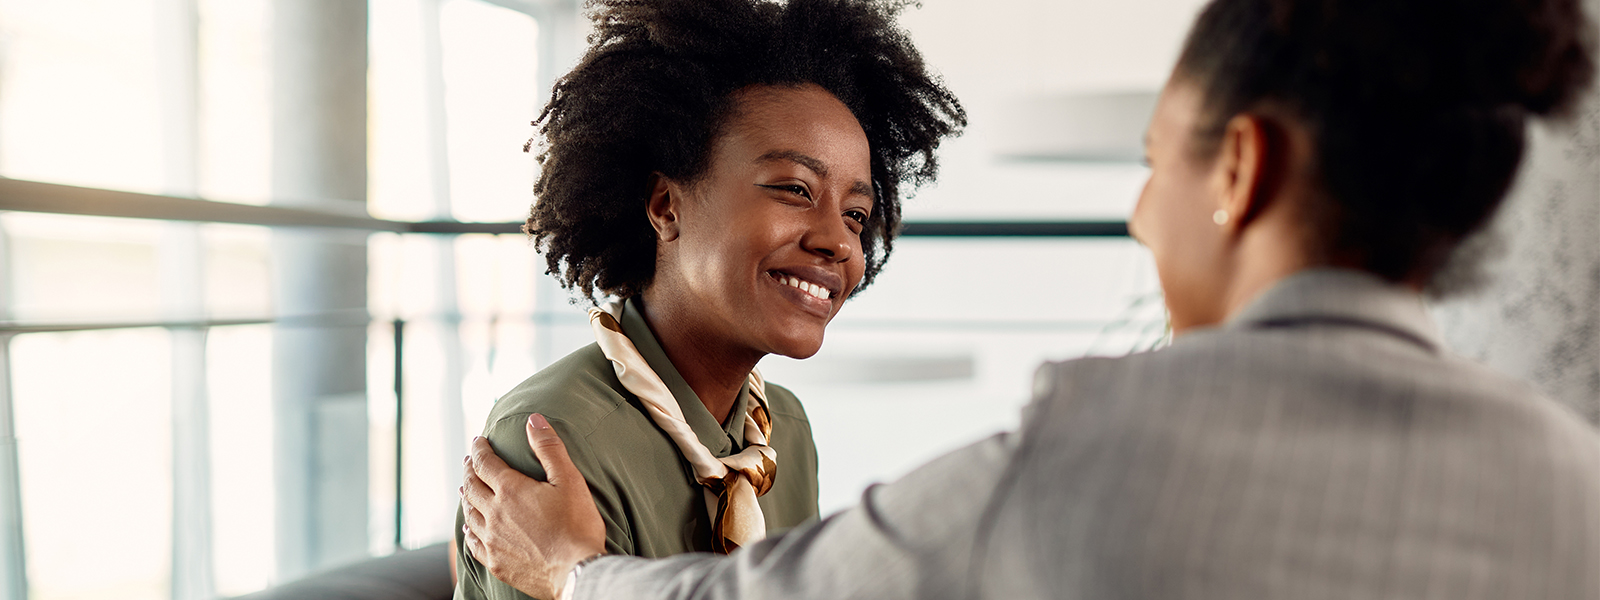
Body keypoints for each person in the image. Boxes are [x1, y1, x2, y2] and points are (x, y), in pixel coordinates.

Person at [456, 0, 1600, 598]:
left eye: (1159, 162)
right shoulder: (1571, 479)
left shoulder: (1096, 449)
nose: (1142, 215)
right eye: (793, 192)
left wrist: (572, 574)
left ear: (1241, 170)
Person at [451, 0, 964, 598]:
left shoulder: (783, 435)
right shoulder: (553, 440)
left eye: (856, 214)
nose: (836, 242)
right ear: (667, 206)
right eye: (795, 189)